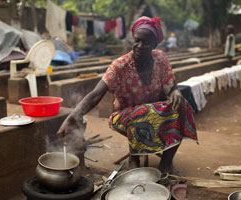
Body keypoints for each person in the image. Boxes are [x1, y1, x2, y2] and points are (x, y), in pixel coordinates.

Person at [57, 16, 197, 175]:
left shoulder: (160, 59)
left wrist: (175, 92)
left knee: (182, 106)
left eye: (146, 43)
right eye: (137, 40)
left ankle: (166, 163)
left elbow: (170, 86)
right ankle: (134, 159)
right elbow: (95, 95)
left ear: (154, 44)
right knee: (144, 112)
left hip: (155, 110)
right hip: (124, 115)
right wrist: (72, 117)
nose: (140, 46)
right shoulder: (120, 66)